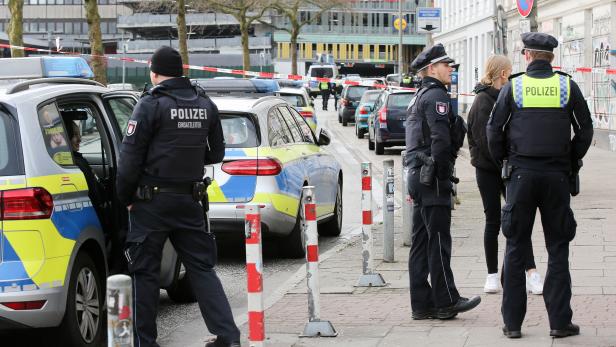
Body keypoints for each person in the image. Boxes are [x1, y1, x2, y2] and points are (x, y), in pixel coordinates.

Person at [116, 46, 241, 347]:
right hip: (189, 200)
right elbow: (218, 152)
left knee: (145, 273)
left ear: (155, 72)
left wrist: (126, 197)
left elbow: (129, 158)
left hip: (151, 203)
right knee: (202, 269)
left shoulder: (150, 104)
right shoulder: (204, 103)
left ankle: (146, 342)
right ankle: (228, 337)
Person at [487, 33, 593, 339]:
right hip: (557, 177)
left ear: (527, 56)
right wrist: (571, 161)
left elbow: (493, 130)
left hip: (521, 175)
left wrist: (505, 164)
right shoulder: (566, 85)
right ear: (552, 58)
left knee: (516, 246)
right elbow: (585, 129)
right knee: (558, 248)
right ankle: (560, 323)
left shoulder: (514, 86)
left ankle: (513, 324)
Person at [405, 43, 481, 321]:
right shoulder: (436, 95)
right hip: (432, 177)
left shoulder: (419, 95)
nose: (451, 69)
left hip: (417, 175)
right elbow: (439, 140)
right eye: (446, 65)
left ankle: (421, 304)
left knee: (421, 242)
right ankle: (446, 301)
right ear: (432, 69)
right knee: (438, 241)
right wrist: (445, 175)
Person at [467, 55, 544, 295]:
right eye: (510, 72)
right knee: (493, 221)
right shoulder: (482, 101)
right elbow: (484, 141)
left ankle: (529, 271)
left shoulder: (505, 96)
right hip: (489, 170)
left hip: (507, 168)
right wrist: (505, 164)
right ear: (502, 74)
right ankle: (492, 275)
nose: (511, 76)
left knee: (519, 220)